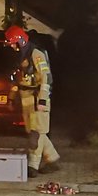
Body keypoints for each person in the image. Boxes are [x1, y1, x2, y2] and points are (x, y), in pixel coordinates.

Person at [6, 26, 60, 177]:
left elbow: (46, 77)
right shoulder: (20, 56)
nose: (11, 46)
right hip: (26, 99)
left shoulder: (36, 54)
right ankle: (52, 159)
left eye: (12, 43)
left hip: (37, 99)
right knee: (34, 131)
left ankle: (33, 166)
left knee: (36, 134)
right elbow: (17, 80)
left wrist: (42, 99)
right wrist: (11, 97)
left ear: (20, 41)